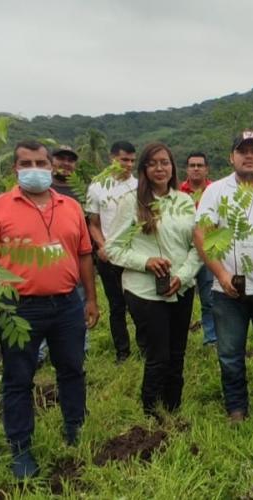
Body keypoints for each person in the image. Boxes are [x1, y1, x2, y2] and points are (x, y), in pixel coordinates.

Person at [0, 140, 99, 478]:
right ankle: (20, 448)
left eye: (40, 163)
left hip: (66, 305)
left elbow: (84, 254)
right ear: (15, 169)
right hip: (18, 309)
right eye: (26, 163)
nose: (35, 170)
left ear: (51, 167)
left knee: (72, 369)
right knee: (18, 379)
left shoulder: (71, 207)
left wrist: (90, 299)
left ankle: (74, 427)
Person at [195, 131, 253, 422]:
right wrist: (221, 274)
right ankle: (236, 407)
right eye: (243, 150)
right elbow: (202, 234)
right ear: (232, 157)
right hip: (227, 291)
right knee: (229, 354)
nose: (249, 155)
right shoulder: (216, 191)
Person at [105, 142, 201, 417]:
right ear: (144, 169)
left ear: (173, 167)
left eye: (165, 162)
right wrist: (145, 262)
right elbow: (112, 249)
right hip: (146, 292)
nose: (160, 168)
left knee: (177, 353)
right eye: (153, 163)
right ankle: (150, 411)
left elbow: (197, 247)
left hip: (181, 288)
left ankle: (174, 406)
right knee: (158, 355)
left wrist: (183, 276)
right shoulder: (131, 203)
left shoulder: (184, 201)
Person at [37, 145, 94, 366]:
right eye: (61, 159)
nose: (66, 163)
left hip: (75, 258)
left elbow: (88, 226)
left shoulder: (82, 193)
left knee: (79, 303)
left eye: (70, 160)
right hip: (40, 260)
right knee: (40, 307)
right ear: (51, 162)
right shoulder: (42, 190)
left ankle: (81, 347)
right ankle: (40, 353)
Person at [86, 141, 138, 362]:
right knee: (116, 306)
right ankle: (122, 352)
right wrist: (101, 246)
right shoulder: (97, 186)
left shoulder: (139, 185)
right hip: (109, 256)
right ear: (112, 159)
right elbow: (93, 223)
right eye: (124, 159)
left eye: (132, 161)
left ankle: (145, 347)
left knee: (139, 304)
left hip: (135, 256)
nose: (128, 165)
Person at [180, 152, 216, 346]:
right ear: (187, 169)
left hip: (208, 250)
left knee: (209, 296)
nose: (196, 168)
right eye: (192, 165)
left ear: (206, 169)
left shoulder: (214, 191)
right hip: (183, 252)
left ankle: (211, 337)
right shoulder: (178, 193)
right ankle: (179, 337)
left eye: (199, 165)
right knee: (181, 295)